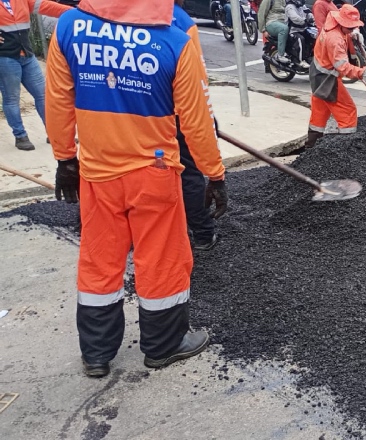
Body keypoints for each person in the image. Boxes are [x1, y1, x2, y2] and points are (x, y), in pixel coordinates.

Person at [45, 0, 228, 378]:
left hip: (97, 172)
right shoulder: (176, 41)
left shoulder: (69, 28)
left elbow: (58, 99)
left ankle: (96, 354)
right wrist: (215, 173)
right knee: (160, 258)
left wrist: (65, 159)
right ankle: (163, 346)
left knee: (100, 261)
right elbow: (196, 121)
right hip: (154, 173)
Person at [174, 0, 223, 251]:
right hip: (173, 115)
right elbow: (196, 83)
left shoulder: (110, 14)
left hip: (126, 116)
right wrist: (216, 175)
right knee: (188, 172)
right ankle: (203, 234)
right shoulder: (180, 22)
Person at [302, 4, 366, 150]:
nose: (352, 29)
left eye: (354, 27)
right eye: (350, 27)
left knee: (319, 112)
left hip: (318, 74)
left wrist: (354, 33)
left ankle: (311, 147)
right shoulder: (334, 40)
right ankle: (347, 148)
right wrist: (364, 73)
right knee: (347, 110)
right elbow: (343, 68)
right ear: (342, 23)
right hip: (327, 78)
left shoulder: (333, 20)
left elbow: (347, 28)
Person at [0, 0, 72, 151]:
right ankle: (20, 136)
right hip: (5, 57)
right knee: (12, 98)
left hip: (27, 54)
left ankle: (54, 134)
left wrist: (79, 12)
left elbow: (48, 6)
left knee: (43, 95)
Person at [284, 0, 314, 69]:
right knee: (301, 39)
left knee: (312, 38)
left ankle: (309, 57)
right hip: (292, 31)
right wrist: (304, 20)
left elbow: (308, 12)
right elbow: (295, 18)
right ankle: (300, 60)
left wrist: (311, 18)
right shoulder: (290, 7)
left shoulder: (302, 6)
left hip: (302, 29)